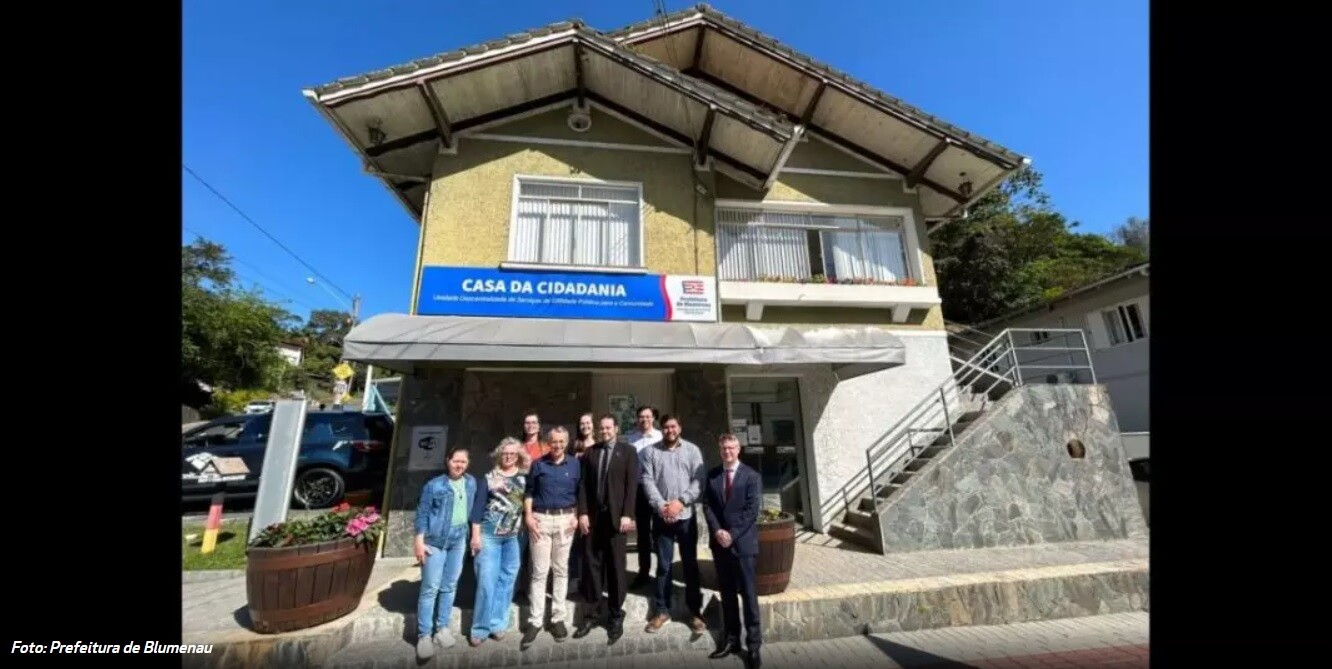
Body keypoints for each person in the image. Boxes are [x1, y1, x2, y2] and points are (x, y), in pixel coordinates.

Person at [413, 446, 486, 661]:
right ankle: (424, 635)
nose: (459, 465)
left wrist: (474, 535)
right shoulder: (434, 485)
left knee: (449, 585)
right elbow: (422, 513)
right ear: (448, 461)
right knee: (430, 588)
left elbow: (475, 511)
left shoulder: (471, 482)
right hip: (435, 542)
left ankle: (442, 628)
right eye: (456, 461)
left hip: (458, 541)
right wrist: (419, 541)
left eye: (463, 462)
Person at [573, 414, 639, 643]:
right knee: (592, 565)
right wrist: (581, 512)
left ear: (617, 429)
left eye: (608, 427)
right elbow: (582, 486)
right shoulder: (591, 452)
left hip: (616, 520)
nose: (605, 431)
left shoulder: (628, 452)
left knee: (616, 567)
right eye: (602, 428)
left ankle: (615, 614)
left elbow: (632, 486)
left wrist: (628, 514)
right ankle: (591, 612)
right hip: (593, 519)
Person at [639, 414, 707, 634]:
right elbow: (647, 481)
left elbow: (699, 480)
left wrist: (681, 502)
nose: (669, 430)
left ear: (680, 428)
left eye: (673, 426)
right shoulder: (651, 452)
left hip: (686, 517)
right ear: (662, 429)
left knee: (690, 565)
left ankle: (695, 612)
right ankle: (662, 611)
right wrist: (662, 506)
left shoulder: (692, 450)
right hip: (662, 518)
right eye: (666, 427)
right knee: (663, 566)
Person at [702, 433, 762, 669]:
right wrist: (718, 531)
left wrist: (732, 534)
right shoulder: (713, 475)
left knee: (748, 596)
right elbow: (707, 506)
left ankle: (754, 646)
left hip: (743, 545)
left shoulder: (751, 476)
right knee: (727, 596)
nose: (727, 451)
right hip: (720, 545)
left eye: (731, 447)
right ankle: (732, 640)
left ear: (739, 450)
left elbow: (752, 510)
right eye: (723, 448)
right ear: (720, 450)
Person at [520, 426, 582, 649]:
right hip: (541, 521)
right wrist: (528, 516)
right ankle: (535, 621)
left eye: (561, 441)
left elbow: (580, 492)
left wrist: (577, 516)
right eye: (553, 442)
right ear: (548, 443)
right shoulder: (539, 464)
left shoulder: (575, 464)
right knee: (539, 572)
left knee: (561, 570)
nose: (557, 445)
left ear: (566, 442)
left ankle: (557, 618)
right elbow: (529, 491)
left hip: (566, 521)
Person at [468, 438, 530, 647]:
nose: (509, 456)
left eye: (513, 453)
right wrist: (475, 536)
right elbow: (477, 509)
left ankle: (497, 623)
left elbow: (528, 504)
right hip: (489, 537)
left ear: (519, 455)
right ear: (499, 455)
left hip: (514, 538)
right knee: (486, 582)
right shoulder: (488, 478)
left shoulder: (524, 478)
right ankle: (480, 628)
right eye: (505, 453)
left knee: (507, 581)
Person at [622, 404, 662, 588]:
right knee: (643, 534)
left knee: (661, 532)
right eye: (641, 417)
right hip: (639, 490)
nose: (644, 420)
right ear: (637, 419)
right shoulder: (631, 439)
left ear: (653, 418)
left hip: (659, 490)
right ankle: (643, 572)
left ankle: (663, 573)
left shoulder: (661, 437)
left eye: (648, 416)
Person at [567, 413, 597, 596]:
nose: (585, 426)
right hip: (576, 495)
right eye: (582, 423)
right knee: (575, 541)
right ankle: (574, 578)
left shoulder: (599, 445)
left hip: (595, 497)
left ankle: (591, 578)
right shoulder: (573, 445)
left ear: (593, 425)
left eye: (588, 423)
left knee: (591, 541)